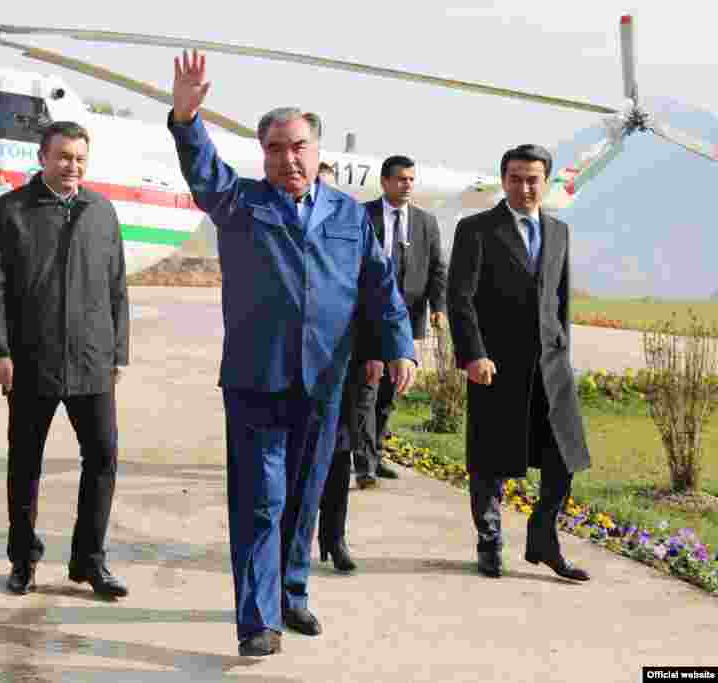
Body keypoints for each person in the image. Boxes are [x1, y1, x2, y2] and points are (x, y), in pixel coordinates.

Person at [168, 50, 416, 657]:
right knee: (260, 500)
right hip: (257, 378)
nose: (288, 158)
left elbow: (378, 284)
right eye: (275, 148)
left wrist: (399, 344)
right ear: (264, 155)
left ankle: (294, 593)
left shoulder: (348, 217)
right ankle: (258, 620)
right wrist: (185, 116)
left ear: (317, 150)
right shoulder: (240, 203)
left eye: (298, 146)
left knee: (305, 496)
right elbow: (203, 170)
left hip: (324, 380)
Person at [0, 121, 131, 599]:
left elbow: (116, 288)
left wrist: (118, 351)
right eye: (64, 157)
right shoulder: (7, 212)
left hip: (91, 361)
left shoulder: (101, 212)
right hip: (30, 360)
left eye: (80, 158)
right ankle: (23, 558)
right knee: (25, 463)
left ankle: (89, 560)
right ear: (42, 157)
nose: (72, 166)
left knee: (103, 456)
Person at [447, 144, 592, 582]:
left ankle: (544, 540)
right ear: (503, 179)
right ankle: (489, 542)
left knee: (565, 456)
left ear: (544, 182)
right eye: (515, 178)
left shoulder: (560, 231)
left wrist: (563, 352)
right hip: (495, 364)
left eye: (532, 179)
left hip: (551, 367)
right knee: (490, 459)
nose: (524, 187)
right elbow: (461, 297)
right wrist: (473, 354)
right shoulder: (476, 229)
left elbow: (559, 299)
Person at [355, 156, 448, 486]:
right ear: (384, 182)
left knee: (390, 393)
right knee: (367, 389)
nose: (407, 185)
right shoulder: (362, 215)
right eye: (400, 179)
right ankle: (363, 464)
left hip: (406, 319)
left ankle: (376, 455)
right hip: (367, 318)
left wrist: (438, 306)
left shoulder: (425, 222)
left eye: (411, 179)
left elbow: (438, 267)